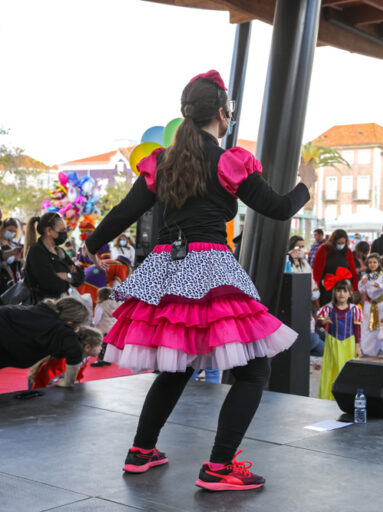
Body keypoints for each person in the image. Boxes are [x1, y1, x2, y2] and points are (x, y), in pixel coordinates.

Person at [83, 71, 311, 490]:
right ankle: (220, 467)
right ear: (222, 114)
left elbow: (123, 211)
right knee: (254, 371)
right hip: (209, 266)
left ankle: (141, 451)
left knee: (177, 364)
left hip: (166, 267)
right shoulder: (229, 160)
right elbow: (279, 209)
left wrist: (92, 243)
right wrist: (305, 187)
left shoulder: (163, 162)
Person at [0, 297, 101, 387]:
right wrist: (68, 382)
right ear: (70, 322)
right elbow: (75, 351)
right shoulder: (61, 329)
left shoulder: (42, 310)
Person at [317, 279, 362, 400]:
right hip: (333, 343)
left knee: (348, 370)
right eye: (338, 290)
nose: (341, 293)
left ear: (350, 294)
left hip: (349, 344)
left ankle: (348, 397)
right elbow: (318, 322)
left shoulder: (355, 309)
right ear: (334, 293)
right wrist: (322, 321)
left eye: (345, 291)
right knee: (331, 369)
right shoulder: (328, 308)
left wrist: (357, 347)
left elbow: (357, 329)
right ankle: (329, 397)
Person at [24, 212, 85, 301]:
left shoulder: (60, 251)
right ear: (49, 231)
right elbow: (50, 283)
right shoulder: (37, 251)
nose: (65, 233)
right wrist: (71, 278)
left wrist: (67, 276)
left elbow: (81, 276)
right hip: (45, 307)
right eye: (62, 230)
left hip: (63, 303)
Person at [312, 229, 358, 306]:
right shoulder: (323, 249)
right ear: (333, 241)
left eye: (343, 243)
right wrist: (319, 282)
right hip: (327, 288)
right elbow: (317, 270)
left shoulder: (348, 251)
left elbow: (352, 271)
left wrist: (353, 287)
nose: (341, 245)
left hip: (344, 288)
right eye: (339, 243)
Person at [359, 253, 383, 358]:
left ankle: (380, 349)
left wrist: (380, 285)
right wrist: (363, 283)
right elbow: (361, 289)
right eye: (370, 262)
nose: (372, 264)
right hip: (369, 303)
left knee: (380, 327)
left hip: (381, 303)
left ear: (379, 263)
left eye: (374, 262)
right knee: (366, 326)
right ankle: (365, 349)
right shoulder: (365, 275)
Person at [91, 287, 119, 367]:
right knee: (108, 346)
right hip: (112, 328)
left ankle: (101, 360)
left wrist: (93, 324)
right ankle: (108, 360)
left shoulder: (101, 305)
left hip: (102, 328)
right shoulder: (115, 303)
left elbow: (97, 319)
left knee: (101, 345)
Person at [1, 217, 23, 295]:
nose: (12, 233)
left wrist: (19, 259)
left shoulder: (14, 244)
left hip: (12, 280)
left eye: (14, 232)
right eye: (10, 230)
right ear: (3, 228)